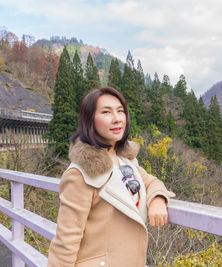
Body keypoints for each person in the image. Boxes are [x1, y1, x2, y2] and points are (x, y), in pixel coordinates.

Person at [48, 86, 175, 267]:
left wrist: (158, 199)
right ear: (89, 120)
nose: (117, 119)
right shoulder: (80, 173)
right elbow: (66, 241)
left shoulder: (125, 160)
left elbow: (152, 182)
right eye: (106, 112)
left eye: (120, 111)